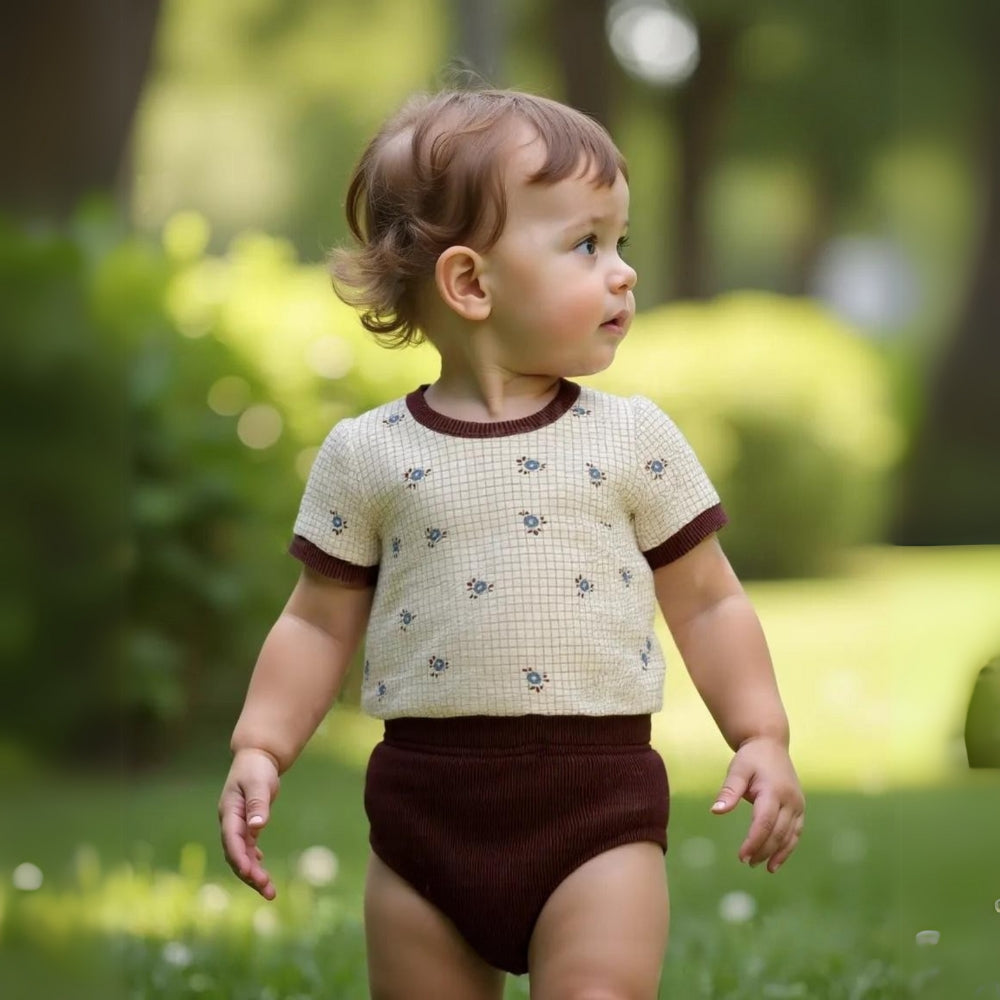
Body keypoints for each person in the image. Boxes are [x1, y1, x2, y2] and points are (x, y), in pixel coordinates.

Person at [218, 88, 804, 1000]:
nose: (623, 273)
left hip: (597, 809)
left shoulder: (633, 441)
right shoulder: (368, 454)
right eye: (587, 245)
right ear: (471, 283)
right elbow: (318, 623)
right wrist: (261, 745)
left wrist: (760, 732)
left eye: (622, 243)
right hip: (423, 816)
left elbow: (709, 598)